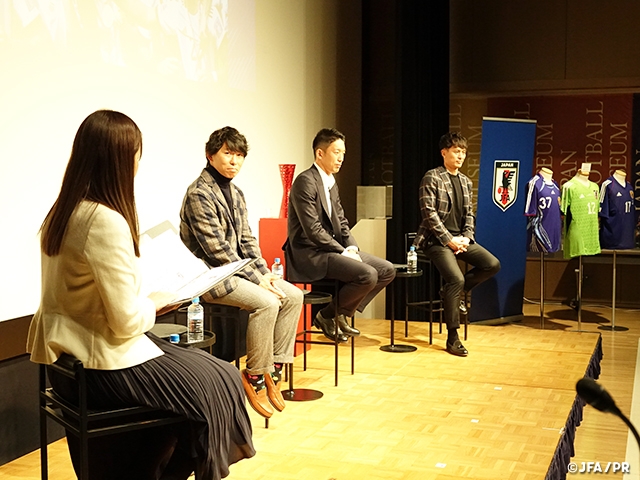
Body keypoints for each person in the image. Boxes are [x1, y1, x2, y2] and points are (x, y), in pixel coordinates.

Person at [27, 110, 255, 480]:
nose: (137, 164)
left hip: (70, 357)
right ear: (118, 160)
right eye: (136, 155)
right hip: (102, 361)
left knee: (217, 377)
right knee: (223, 380)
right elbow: (126, 321)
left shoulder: (63, 212)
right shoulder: (104, 219)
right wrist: (154, 302)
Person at [180, 126, 303, 420]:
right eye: (227, 153)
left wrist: (265, 274)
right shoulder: (199, 193)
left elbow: (247, 240)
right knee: (268, 302)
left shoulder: (236, 193)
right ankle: (254, 374)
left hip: (237, 273)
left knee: (293, 295)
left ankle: (272, 368)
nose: (234, 161)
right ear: (210, 155)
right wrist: (258, 280)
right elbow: (217, 250)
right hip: (210, 277)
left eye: (239, 155)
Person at [285, 128, 396, 342]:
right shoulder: (305, 181)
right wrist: (342, 251)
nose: (341, 158)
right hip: (310, 253)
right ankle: (327, 315)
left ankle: (339, 313)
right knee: (368, 274)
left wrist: (352, 247)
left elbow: (342, 222)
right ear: (320, 153)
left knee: (386, 270)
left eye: (343, 153)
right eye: (336, 152)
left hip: (331, 250)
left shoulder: (330, 182)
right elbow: (313, 230)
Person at [413, 132, 500, 357]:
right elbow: (429, 214)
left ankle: (456, 292)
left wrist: (467, 238)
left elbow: (469, 214)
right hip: (435, 240)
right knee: (456, 279)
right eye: (456, 151)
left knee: (492, 264)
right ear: (444, 153)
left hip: (460, 239)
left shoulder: (465, 181)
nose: (460, 156)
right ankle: (453, 337)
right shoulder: (432, 177)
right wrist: (449, 240)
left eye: (463, 152)